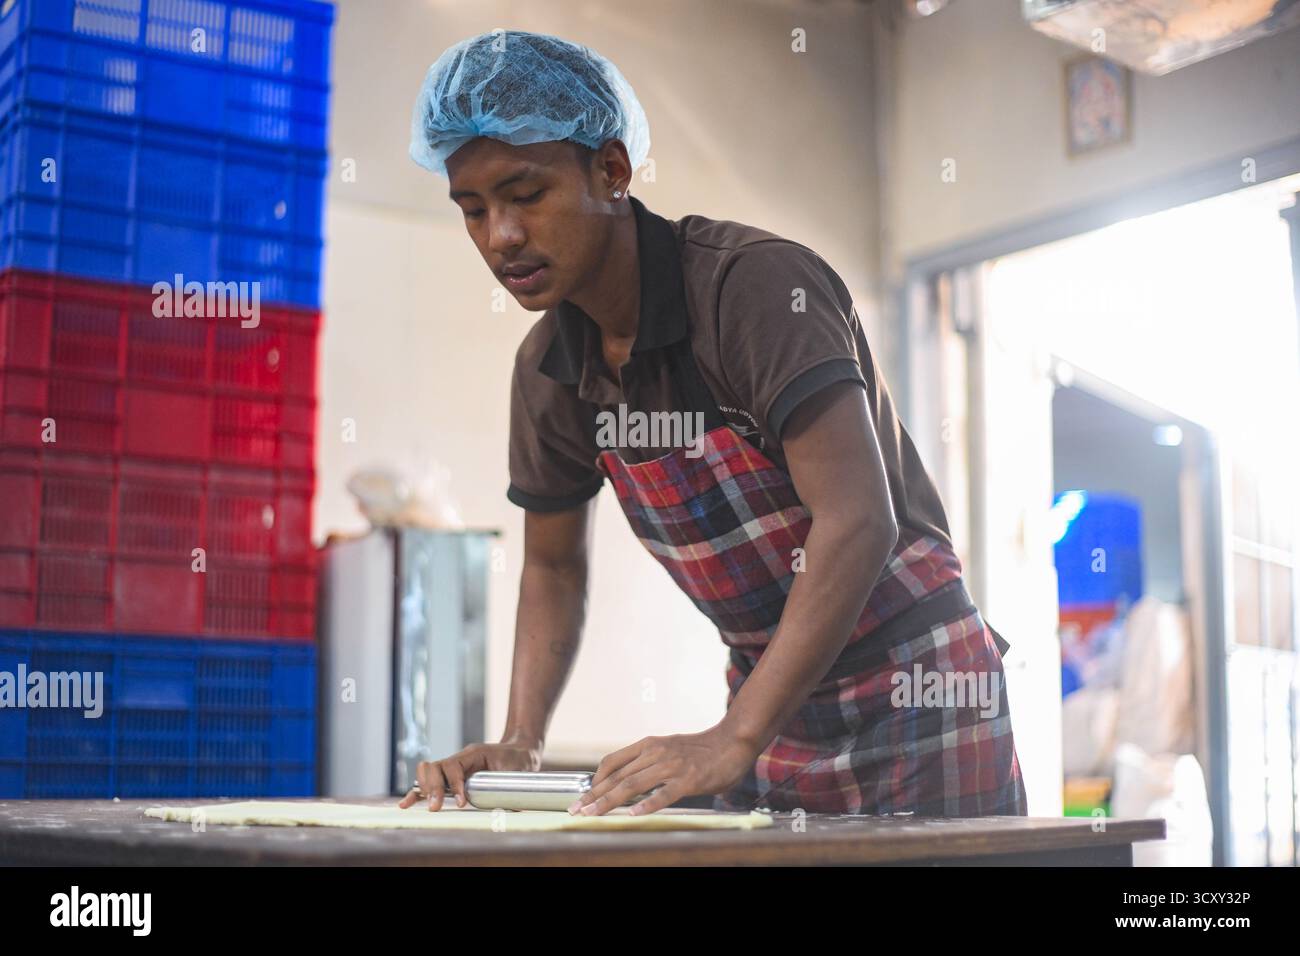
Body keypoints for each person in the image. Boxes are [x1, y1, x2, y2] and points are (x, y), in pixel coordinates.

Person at [398, 29, 1027, 818]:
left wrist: (733, 736)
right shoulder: (548, 374)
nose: (502, 237)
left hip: (917, 684)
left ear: (612, 171)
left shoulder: (754, 291)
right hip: (773, 702)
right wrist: (522, 738)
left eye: (527, 195)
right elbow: (554, 568)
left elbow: (858, 518)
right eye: (473, 210)